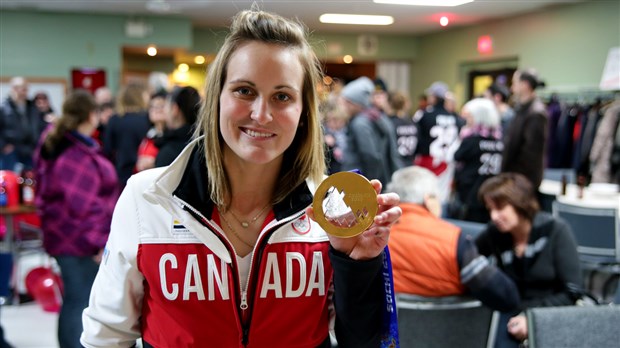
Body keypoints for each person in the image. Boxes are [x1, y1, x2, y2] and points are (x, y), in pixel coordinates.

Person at [81, 8, 401, 348]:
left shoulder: (329, 213)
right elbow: (106, 337)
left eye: (282, 96)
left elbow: (362, 343)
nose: (261, 114)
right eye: (245, 91)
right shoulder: (147, 198)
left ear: (303, 112)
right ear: (217, 98)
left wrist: (357, 264)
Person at [33, 90, 119, 348]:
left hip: (67, 236)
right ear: (91, 115)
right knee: (79, 301)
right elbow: (83, 205)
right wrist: (98, 243)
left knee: (76, 299)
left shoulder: (65, 144)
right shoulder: (74, 153)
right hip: (77, 241)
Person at [387, 166, 519, 312]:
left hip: (383, 330)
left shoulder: (373, 235)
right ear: (428, 199)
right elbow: (506, 296)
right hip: (445, 331)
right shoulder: (454, 240)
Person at [475, 172, 583, 347]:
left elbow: (573, 290)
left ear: (520, 204)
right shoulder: (495, 233)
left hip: (552, 314)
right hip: (509, 314)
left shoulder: (555, 230)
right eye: (490, 209)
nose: (494, 216)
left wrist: (532, 317)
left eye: (500, 208)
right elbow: (468, 257)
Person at [340, 76, 403, 186]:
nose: (344, 107)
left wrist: (368, 186)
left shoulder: (360, 124)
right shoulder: (379, 117)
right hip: (382, 180)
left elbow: (370, 156)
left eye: (347, 102)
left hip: (361, 183)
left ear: (356, 103)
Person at [452, 98, 503, 223]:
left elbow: (455, 156)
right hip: (491, 193)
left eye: (470, 117)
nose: (467, 121)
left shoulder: (472, 141)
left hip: (470, 195)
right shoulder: (499, 140)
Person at [414, 81, 464, 202]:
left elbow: (416, 136)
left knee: (423, 197)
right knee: (442, 199)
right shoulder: (456, 118)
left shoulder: (423, 114)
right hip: (447, 162)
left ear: (433, 97)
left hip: (427, 161)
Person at [501, 69, 548, 189]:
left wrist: (516, 180)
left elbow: (531, 155)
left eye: (514, 83)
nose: (512, 88)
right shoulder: (521, 109)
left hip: (522, 181)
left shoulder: (536, 113)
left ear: (525, 85)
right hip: (514, 178)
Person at [103, 82, 151, 188]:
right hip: (144, 172)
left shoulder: (114, 119)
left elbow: (107, 149)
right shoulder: (148, 119)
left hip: (120, 172)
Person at [0, 76, 46, 171]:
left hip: (30, 149)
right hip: (11, 150)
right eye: (22, 89)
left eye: (26, 89)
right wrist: (3, 145)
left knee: (33, 177)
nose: (24, 93)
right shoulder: (3, 108)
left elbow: (41, 125)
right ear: (14, 89)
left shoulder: (33, 108)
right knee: (9, 179)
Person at [154, 86, 201, 167]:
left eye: (166, 106)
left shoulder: (169, 151)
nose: (164, 111)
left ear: (174, 109)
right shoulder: (203, 144)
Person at [135, 90, 168, 172]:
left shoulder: (173, 136)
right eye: (153, 106)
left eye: (161, 105)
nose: (157, 110)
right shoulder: (149, 135)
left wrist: (155, 162)